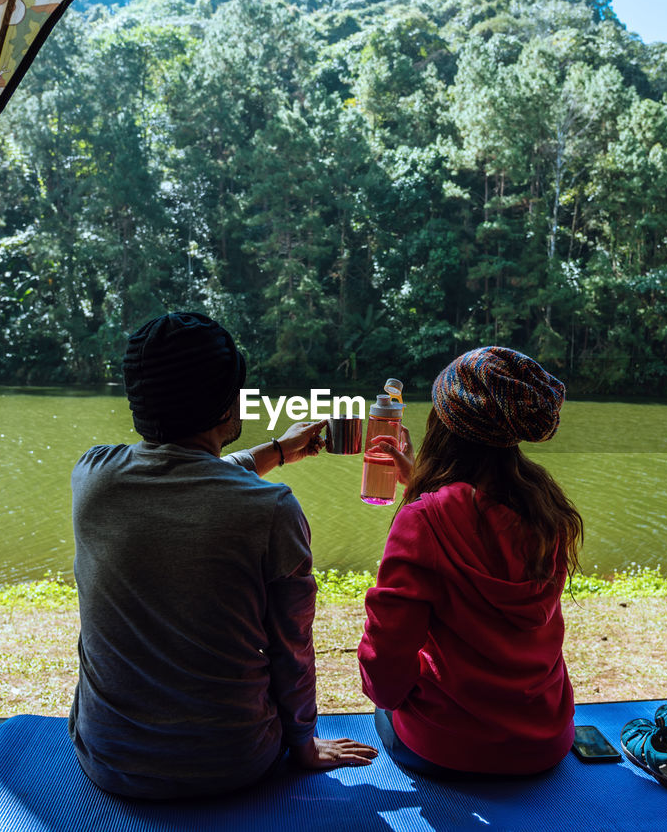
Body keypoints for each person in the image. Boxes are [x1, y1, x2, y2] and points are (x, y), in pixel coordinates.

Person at [69, 311, 376, 799]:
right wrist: (303, 744)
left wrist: (276, 451)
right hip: (234, 761)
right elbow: (291, 649)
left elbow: (182, 476)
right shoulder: (271, 510)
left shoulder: (92, 476)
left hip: (110, 759)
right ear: (227, 404)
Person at [357, 346, 583, 778]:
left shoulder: (424, 520)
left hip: (450, 748)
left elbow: (383, 676)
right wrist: (419, 489)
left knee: (383, 714)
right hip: (544, 740)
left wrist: (419, 500)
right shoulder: (547, 509)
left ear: (444, 425)